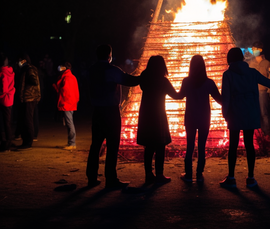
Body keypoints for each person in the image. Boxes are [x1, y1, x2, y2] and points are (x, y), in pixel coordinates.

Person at [221, 47, 270, 189]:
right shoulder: (252, 73)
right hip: (250, 112)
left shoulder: (228, 75)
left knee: (233, 146)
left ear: (229, 59)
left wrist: (225, 113)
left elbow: (226, 97)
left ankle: (231, 178)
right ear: (242, 58)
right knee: (249, 144)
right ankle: (250, 178)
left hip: (235, 113)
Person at [86, 44, 140, 189]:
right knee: (112, 146)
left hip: (97, 111)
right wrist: (144, 76)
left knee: (95, 145)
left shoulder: (92, 70)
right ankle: (111, 179)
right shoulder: (112, 70)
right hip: (110, 112)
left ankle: (91, 178)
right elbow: (129, 81)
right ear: (109, 55)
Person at [177, 55, 221, 183]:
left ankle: (189, 175)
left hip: (190, 117)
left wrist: (166, 89)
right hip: (204, 118)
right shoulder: (209, 83)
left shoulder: (186, 82)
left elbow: (179, 96)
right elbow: (220, 99)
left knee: (190, 145)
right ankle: (199, 174)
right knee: (202, 146)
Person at [137, 55, 179, 186]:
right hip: (158, 114)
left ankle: (149, 174)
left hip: (146, 114)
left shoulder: (144, 77)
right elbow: (176, 95)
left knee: (149, 146)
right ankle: (159, 174)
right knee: (160, 145)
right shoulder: (163, 81)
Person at [248, 41, 270, 138]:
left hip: (262, 92)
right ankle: (258, 136)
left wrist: (269, 91)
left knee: (264, 114)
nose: (253, 51)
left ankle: (267, 136)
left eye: (254, 49)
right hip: (252, 92)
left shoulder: (267, 63)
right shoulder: (251, 63)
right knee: (255, 114)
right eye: (253, 49)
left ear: (260, 50)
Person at [53, 62, 79, 150]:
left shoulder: (67, 78)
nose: (59, 68)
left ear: (65, 68)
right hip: (70, 103)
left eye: (61, 66)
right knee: (69, 123)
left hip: (67, 103)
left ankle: (72, 143)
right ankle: (70, 143)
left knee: (69, 123)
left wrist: (56, 88)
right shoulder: (70, 77)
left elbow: (65, 92)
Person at [17, 54, 41, 149]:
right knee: (25, 120)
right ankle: (25, 141)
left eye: (20, 60)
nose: (19, 62)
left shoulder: (30, 69)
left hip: (29, 98)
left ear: (24, 60)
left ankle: (28, 142)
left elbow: (34, 81)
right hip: (27, 98)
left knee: (28, 120)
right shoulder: (26, 69)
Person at [0, 53, 15, 152]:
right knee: (7, 122)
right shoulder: (10, 71)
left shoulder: (2, 73)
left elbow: (3, 89)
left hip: (3, 99)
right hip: (9, 99)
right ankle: (8, 142)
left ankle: (6, 144)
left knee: (4, 123)